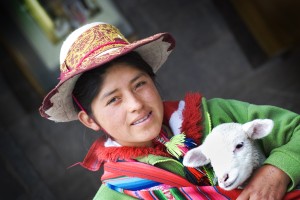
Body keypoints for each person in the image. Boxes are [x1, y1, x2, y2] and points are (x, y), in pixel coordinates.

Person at [39, 22, 300, 200]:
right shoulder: (118, 192)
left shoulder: (215, 115)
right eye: (113, 100)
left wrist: (277, 170)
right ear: (89, 119)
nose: (135, 104)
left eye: (139, 84)